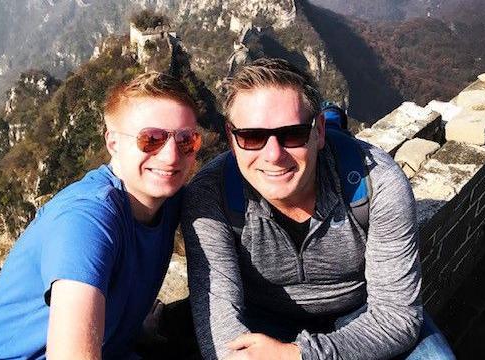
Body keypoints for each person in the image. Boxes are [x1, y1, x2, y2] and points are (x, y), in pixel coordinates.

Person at [181, 58, 454, 360]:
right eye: (252, 137)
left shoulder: (377, 183)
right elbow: (220, 323)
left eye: (293, 134)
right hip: (262, 321)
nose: (273, 155)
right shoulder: (212, 195)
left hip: (361, 314)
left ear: (319, 131)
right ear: (232, 139)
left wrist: (298, 355)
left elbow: (396, 316)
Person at [0, 71, 202, 359]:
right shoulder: (87, 219)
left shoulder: (171, 201)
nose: (171, 156)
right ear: (113, 143)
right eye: (151, 139)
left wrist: (135, 327)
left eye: (186, 140)